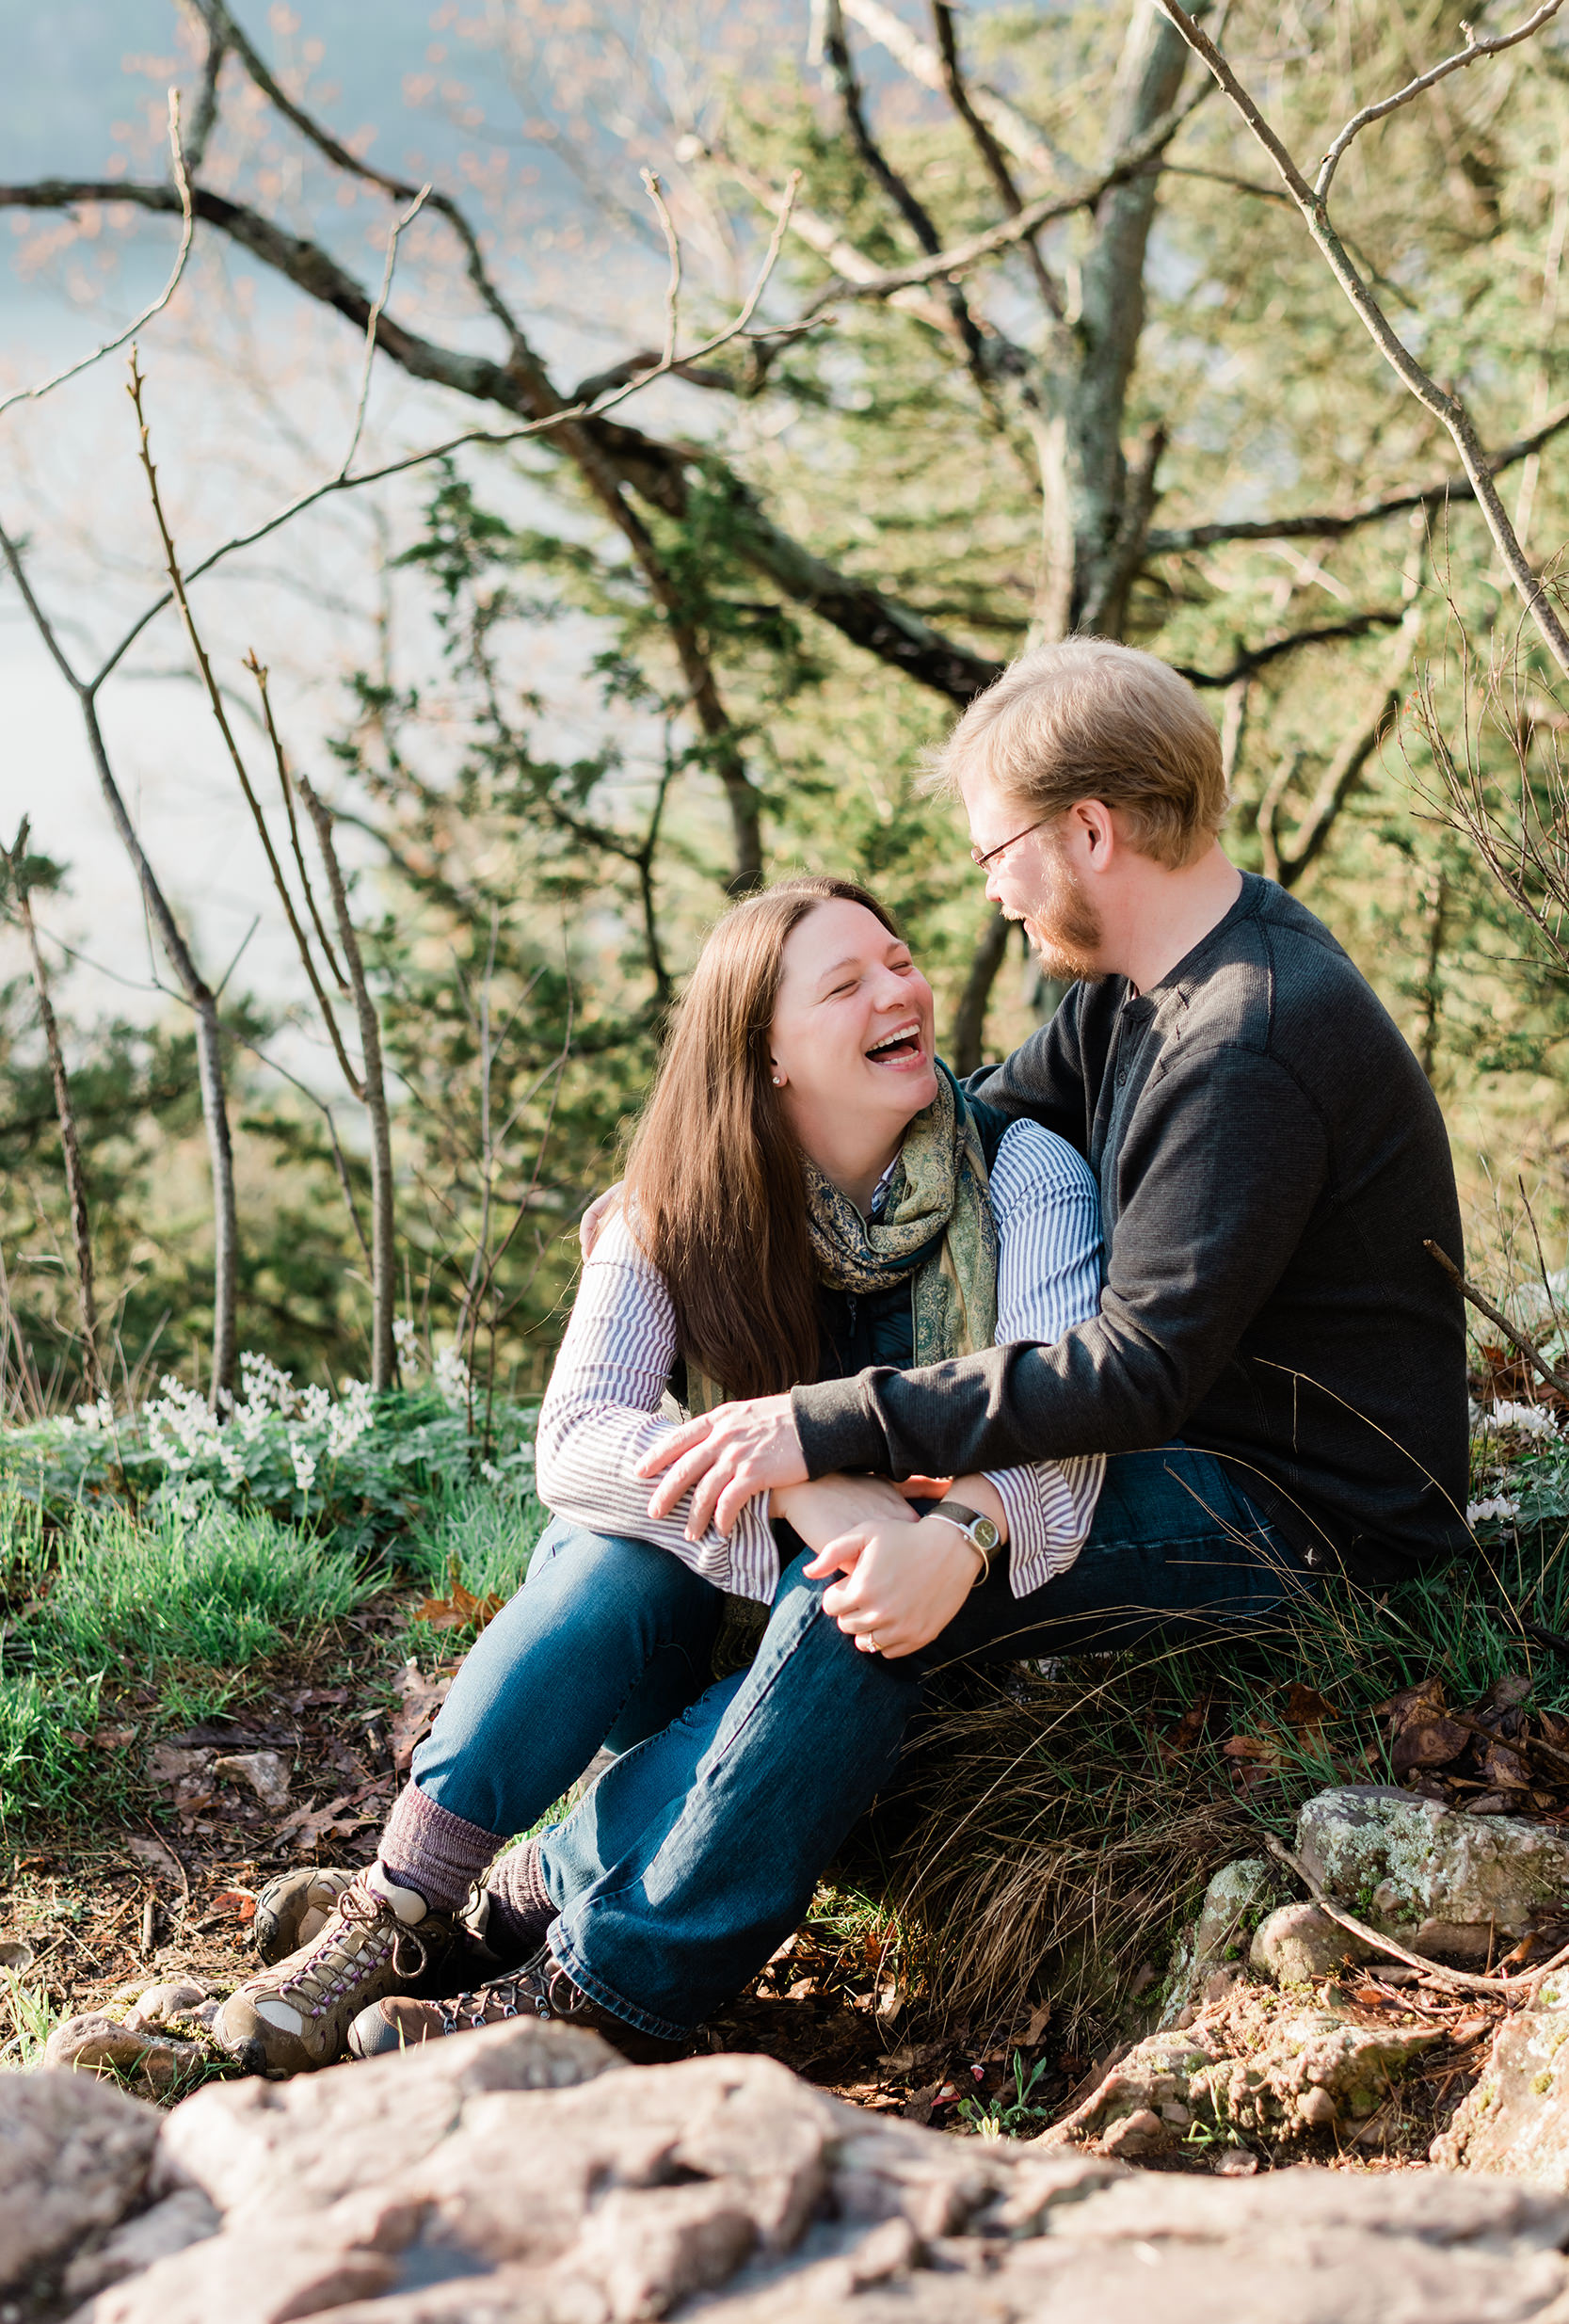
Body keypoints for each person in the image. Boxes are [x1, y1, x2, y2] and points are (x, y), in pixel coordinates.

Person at [215, 876, 1106, 2076]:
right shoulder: (676, 1204)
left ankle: (564, 1956)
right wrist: (787, 1480)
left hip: (908, 1632)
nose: (900, 990)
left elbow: (1061, 1422)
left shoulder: (1023, 1175)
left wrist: (954, 1536)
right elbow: (575, 1435)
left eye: (897, 961)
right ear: (765, 1052)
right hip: (716, 1616)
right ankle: (397, 1907)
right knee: (613, 1552)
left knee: (846, 1599)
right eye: (846, 983)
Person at [635, 637, 1469, 1602]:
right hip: (1208, 1444)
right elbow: (971, 1124)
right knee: (844, 1532)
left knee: (876, 1556)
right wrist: (710, 1168)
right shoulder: (1137, 986)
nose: (992, 892)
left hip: (1318, 1517)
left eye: (995, 852)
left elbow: (1128, 1371)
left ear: (1087, 831)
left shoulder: (1245, 1043)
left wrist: (824, 1422)